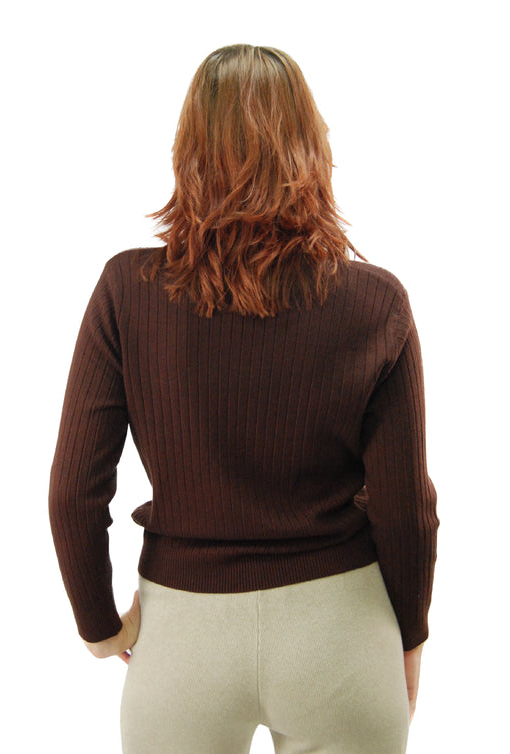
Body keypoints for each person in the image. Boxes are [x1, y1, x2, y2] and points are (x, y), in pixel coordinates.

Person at [48, 43, 439, 754]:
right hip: (340, 636)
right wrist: (408, 638)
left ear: (188, 150)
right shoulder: (374, 302)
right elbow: (405, 507)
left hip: (182, 640)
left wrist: (99, 626)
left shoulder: (127, 291)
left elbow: (74, 490)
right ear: (311, 146)